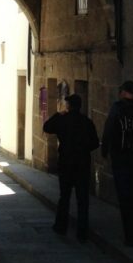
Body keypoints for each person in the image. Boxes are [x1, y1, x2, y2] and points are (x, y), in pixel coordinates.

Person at [43, 93, 100, 240]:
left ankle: (61, 227)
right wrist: (83, 148)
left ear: (68, 106)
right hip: (82, 163)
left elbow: (47, 127)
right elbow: (94, 142)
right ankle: (82, 232)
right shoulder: (87, 122)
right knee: (82, 199)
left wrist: (57, 114)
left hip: (66, 163)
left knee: (65, 197)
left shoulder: (63, 120)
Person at [101, 81, 133, 246]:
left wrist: (104, 150)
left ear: (122, 93)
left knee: (124, 196)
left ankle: (129, 234)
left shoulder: (116, 109)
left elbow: (108, 130)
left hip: (120, 159)